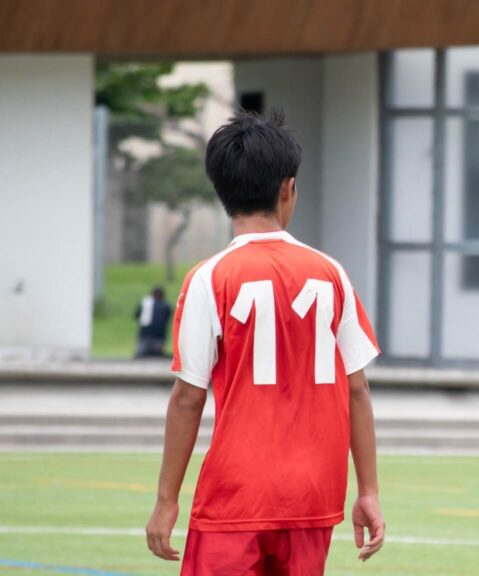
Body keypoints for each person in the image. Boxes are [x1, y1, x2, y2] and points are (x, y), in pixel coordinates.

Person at [145, 110, 385, 574]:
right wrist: (368, 491)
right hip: (313, 494)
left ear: (222, 192)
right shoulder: (330, 273)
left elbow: (188, 399)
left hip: (236, 492)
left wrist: (166, 500)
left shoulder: (209, 278)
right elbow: (356, 390)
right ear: (288, 188)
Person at [134, 286, 172, 358]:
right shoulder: (166, 305)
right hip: (159, 334)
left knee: (141, 352)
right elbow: (167, 318)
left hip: (144, 333)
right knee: (157, 352)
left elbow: (136, 316)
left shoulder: (145, 303)